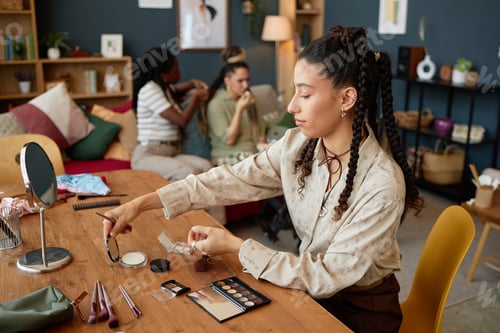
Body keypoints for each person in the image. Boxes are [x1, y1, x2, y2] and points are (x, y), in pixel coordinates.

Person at [102, 26, 425, 333]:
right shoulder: (298, 145)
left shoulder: (382, 185)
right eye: (293, 91)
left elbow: (326, 275)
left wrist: (235, 246)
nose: (291, 105)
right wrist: (140, 204)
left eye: (305, 94)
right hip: (310, 292)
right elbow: (230, 179)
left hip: (359, 313)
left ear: (346, 99)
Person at [131, 46, 213, 181]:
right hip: (149, 154)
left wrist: (192, 84)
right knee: (191, 173)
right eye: (175, 69)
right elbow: (181, 120)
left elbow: (176, 89)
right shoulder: (150, 90)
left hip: (170, 153)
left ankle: (215, 203)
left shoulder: (164, 88)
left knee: (207, 167)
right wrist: (196, 98)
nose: (179, 71)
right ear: (164, 76)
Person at [203, 45, 267, 166]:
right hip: (227, 156)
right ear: (227, 80)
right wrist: (239, 109)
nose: (245, 85)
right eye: (240, 81)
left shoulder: (250, 98)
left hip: (252, 152)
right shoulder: (216, 104)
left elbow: (260, 132)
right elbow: (229, 140)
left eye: (248, 80)